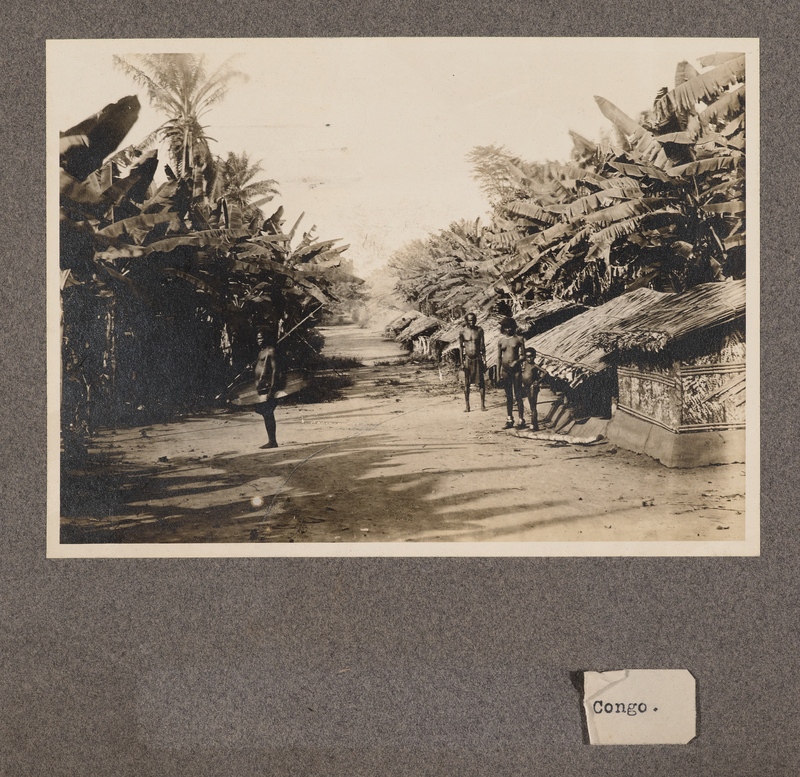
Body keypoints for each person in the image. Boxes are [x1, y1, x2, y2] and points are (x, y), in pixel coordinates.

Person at [253, 328, 281, 449]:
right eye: (257, 338)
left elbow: (275, 370)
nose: (258, 340)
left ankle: (272, 441)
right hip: (261, 386)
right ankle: (272, 440)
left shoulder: (271, 351)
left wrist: (272, 390)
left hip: (268, 386)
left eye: (261, 338)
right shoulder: (262, 351)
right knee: (265, 412)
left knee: (268, 413)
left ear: (266, 338)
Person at [496, 317, 526, 429]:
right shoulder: (501, 341)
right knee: (508, 396)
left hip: (516, 370)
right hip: (505, 370)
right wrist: (497, 374)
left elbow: (523, 356)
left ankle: (521, 419)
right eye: (506, 327)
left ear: (514, 327)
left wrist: (516, 361)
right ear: (503, 328)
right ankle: (509, 419)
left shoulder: (519, 339)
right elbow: (499, 358)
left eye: (510, 327)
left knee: (518, 394)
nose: (508, 329)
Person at [458, 312, 487, 412]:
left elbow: (483, 347)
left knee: (481, 383)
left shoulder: (479, 330)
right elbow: (461, 348)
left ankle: (482, 405)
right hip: (467, 359)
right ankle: (467, 406)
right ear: (466, 321)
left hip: (478, 359)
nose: (472, 322)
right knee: (467, 383)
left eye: (473, 320)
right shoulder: (462, 332)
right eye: (469, 320)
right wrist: (461, 362)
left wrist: (485, 361)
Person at [520, 347, 543, 431]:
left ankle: (534, 424)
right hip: (526, 387)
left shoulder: (534, 366)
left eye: (531, 356)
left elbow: (545, 372)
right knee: (531, 405)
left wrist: (538, 381)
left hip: (532, 387)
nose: (529, 358)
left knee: (533, 406)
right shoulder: (524, 364)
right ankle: (534, 424)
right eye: (527, 356)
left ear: (534, 356)